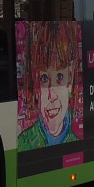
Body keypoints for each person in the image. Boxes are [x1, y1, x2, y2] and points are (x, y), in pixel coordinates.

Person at [17, 21, 81, 150]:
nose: (52, 96)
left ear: (70, 79)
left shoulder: (78, 142)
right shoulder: (24, 143)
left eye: (60, 77)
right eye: (44, 78)